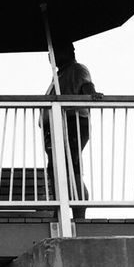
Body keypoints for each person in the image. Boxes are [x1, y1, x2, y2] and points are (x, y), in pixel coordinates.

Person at [42, 41, 99, 220]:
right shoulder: (58, 76)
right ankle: (61, 208)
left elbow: (87, 87)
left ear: (69, 51)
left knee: (70, 168)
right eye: (50, 53)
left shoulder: (77, 69)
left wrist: (93, 95)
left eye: (55, 51)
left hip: (72, 123)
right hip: (56, 126)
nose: (51, 56)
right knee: (58, 169)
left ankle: (77, 213)